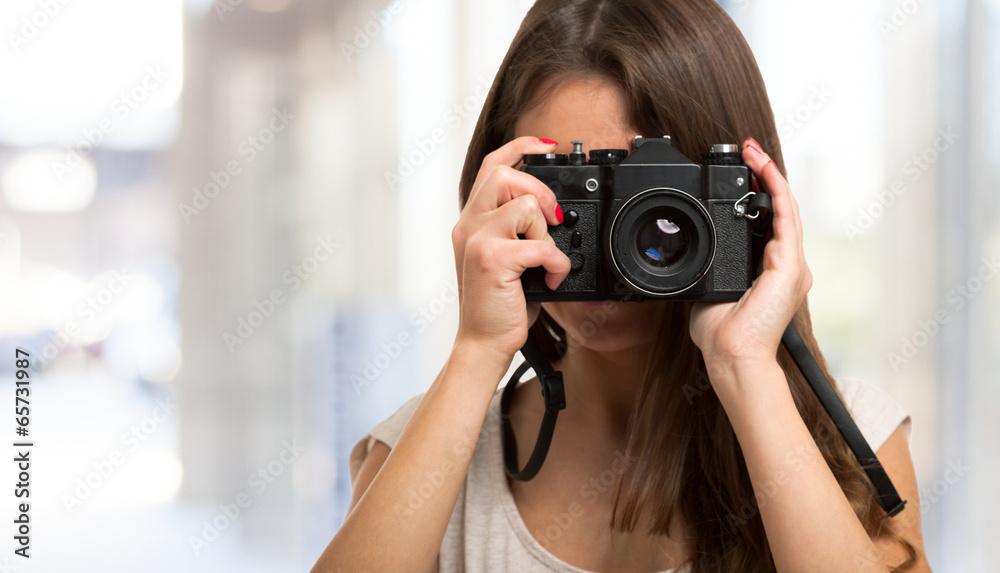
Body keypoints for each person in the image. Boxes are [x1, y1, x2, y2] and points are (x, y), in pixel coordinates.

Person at [313, 0, 930, 571]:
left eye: (651, 200)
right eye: (578, 188)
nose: (619, 237)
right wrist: (477, 350)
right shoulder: (416, 455)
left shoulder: (850, 446)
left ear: (745, 198)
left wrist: (747, 369)